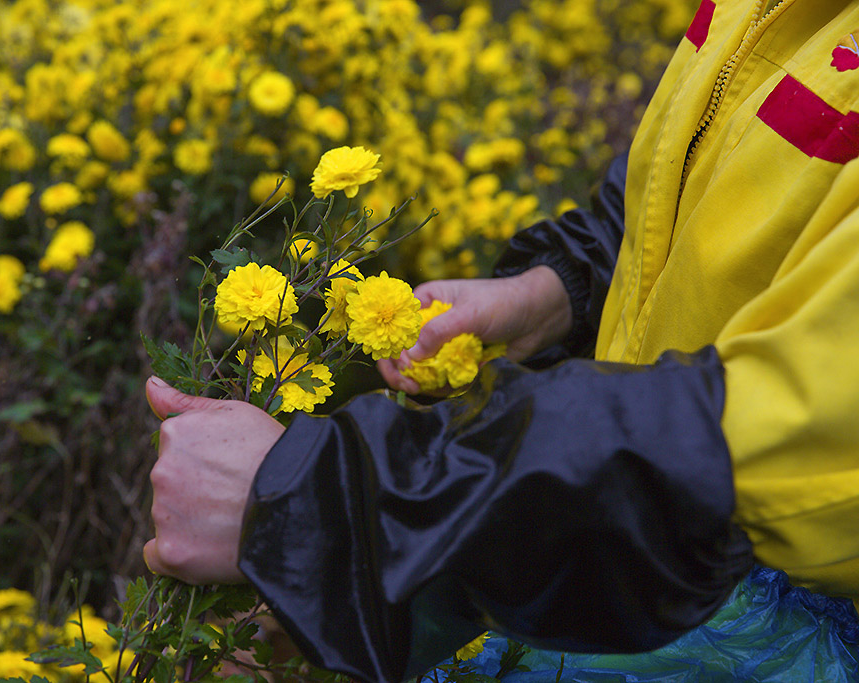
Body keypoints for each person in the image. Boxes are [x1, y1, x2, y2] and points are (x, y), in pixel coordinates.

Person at [143, 0, 859, 679]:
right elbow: (698, 192)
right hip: (637, 550)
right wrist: (556, 291)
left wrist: (327, 502)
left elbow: (798, 429)